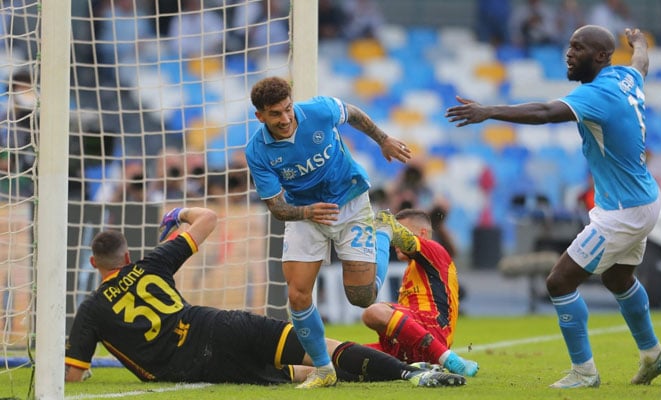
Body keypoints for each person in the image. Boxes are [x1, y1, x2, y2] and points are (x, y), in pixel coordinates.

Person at [445, 25, 661, 388]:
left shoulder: (599, 94)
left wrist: (489, 110)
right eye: (569, 46)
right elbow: (641, 64)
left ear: (600, 56)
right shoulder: (626, 78)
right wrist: (641, 43)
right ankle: (653, 354)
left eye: (578, 48)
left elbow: (545, 112)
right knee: (618, 278)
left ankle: (584, 372)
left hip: (622, 211)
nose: (568, 53)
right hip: (644, 200)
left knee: (559, 281)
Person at [64, 206, 465, 388]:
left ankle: (411, 370)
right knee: (321, 353)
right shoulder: (151, 264)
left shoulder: (91, 310)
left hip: (196, 367)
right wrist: (178, 215)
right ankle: (412, 374)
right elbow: (207, 218)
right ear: (127, 256)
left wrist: (84, 366)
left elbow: (73, 374)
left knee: (300, 375)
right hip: (220, 325)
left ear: (94, 263)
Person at [245, 76, 411, 388]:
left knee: (362, 298)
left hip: (349, 202)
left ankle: (383, 233)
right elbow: (277, 207)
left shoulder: (319, 110)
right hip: (305, 213)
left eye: (287, 109)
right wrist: (307, 212)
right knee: (297, 294)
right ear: (260, 116)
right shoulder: (257, 151)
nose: (285, 119)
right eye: (275, 114)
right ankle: (323, 369)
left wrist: (384, 139)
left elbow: (355, 114)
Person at [363, 209, 479, 378]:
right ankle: (423, 367)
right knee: (347, 353)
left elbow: (408, 242)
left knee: (373, 312)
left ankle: (448, 359)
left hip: (433, 330)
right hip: (409, 342)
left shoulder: (435, 251)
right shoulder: (411, 270)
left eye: (399, 231)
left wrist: (385, 227)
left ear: (422, 233)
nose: (395, 240)